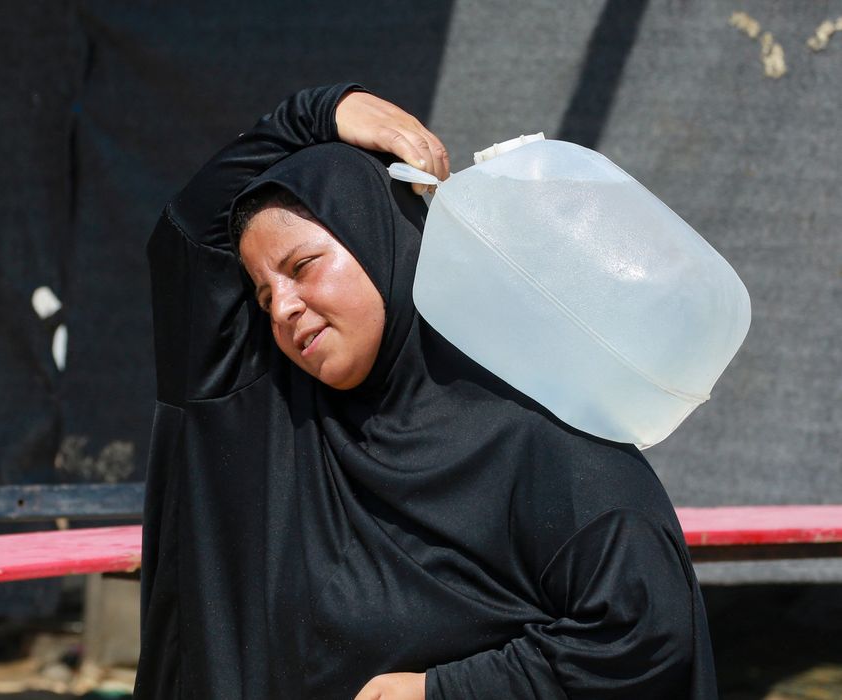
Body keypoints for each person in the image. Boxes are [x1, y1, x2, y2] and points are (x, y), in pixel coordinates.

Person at [135, 84, 717, 699]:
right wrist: (316, 115)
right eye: (261, 292)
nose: (281, 307)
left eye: (302, 267)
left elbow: (646, 633)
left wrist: (441, 692)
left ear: (382, 240)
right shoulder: (263, 414)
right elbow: (189, 239)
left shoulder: (538, 439)